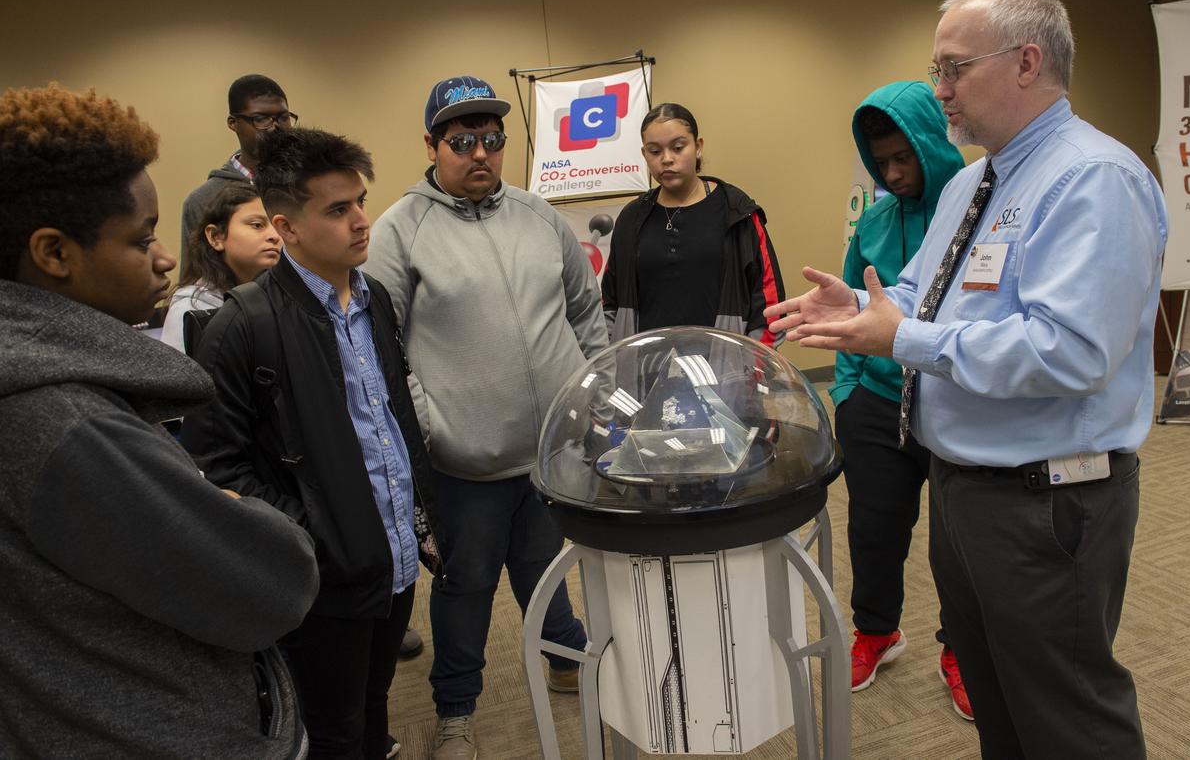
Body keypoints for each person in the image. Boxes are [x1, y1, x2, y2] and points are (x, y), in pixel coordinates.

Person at [766, 0, 1166, 759]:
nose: (940, 90)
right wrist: (864, 304)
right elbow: (922, 294)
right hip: (965, 488)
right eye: (936, 70)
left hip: (1047, 501)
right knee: (999, 702)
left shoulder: (1092, 178)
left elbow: (1071, 351)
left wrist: (905, 339)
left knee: (1068, 716)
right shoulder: (971, 181)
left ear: (1026, 62)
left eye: (953, 69)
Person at [0, 83, 318, 758]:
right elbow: (270, 585)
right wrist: (235, 509)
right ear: (54, 253)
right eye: (141, 238)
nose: (165, 257)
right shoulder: (64, 424)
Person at [365, 75, 606, 760]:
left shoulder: (538, 215)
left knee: (543, 565)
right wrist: (432, 426)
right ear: (431, 145)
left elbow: (584, 311)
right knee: (466, 586)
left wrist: (592, 394)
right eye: (462, 140)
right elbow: (382, 347)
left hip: (552, 450)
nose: (480, 153)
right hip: (464, 463)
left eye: (492, 139)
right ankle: (456, 712)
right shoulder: (399, 229)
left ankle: (565, 658)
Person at [181, 127, 442, 760]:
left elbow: (391, 417)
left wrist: (421, 515)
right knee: (331, 730)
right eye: (338, 209)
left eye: (360, 201)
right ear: (286, 227)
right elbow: (213, 465)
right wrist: (312, 533)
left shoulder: (375, 299)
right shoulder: (243, 324)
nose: (361, 220)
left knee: (376, 703)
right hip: (322, 579)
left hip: (392, 558)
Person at [831, 82, 971, 717]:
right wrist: (847, 392)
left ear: (931, 145)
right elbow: (848, 308)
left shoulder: (976, 211)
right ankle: (876, 631)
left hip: (953, 401)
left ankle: (961, 648)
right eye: (880, 162)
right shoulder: (875, 222)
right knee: (874, 530)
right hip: (878, 402)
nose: (891, 175)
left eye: (902, 158)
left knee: (960, 540)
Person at [600, 102, 784, 345]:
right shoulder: (631, 218)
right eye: (655, 151)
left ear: (698, 147)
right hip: (644, 365)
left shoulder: (737, 212)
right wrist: (614, 359)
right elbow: (609, 304)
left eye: (678, 147)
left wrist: (748, 364)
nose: (667, 159)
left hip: (726, 364)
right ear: (644, 154)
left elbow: (771, 307)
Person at [180, 74, 294, 262]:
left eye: (283, 117)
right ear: (233, 123)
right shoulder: (204, 200)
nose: (275, 127)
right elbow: (195, 274)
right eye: (260, 118)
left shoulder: (306, 184)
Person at [160, 180, 280, 352]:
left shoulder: (284, 299)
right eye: (257, 225)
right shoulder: (190, 309)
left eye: (277, 227)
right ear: (216, 237)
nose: (274, 236)